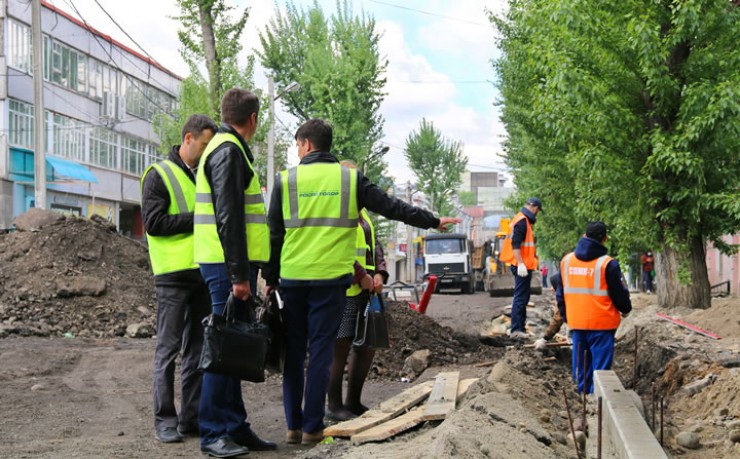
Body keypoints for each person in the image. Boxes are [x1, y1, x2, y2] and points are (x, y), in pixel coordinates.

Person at [262, 118, 460, 446]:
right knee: (323, 352)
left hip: (293, 280)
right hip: (331, 281)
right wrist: (433, 220)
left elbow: (274, 235)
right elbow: (392, 207)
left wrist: (270, 279)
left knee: (294, 352)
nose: (297, 151)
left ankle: (293, 428)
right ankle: (313, 427)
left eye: (298, 145)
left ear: (307, 144)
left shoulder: (286, 180)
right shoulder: (349, 179)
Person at [193, 88, 277, 457]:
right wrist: (240, 277)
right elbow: (228, 219)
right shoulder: (228, 152)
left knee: (231, 347)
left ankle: (234, 427)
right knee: (222, 345)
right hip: (225, 267)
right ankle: (213, 433)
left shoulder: (227, 148)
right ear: (254, 120)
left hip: (224, 264)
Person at [141, 114, 217, 444]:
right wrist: (197, 218)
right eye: (203, 144)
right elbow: (154, 223)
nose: (206, 151)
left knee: (197, 351)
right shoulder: (158, 175)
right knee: (168, 350)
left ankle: (191, 418)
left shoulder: (201, 176)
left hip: (200, 273)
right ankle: (165, 419)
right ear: (188, 139)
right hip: (172, 276)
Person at [326, 160, 389, 422]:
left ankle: (353, 402)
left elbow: (376, 248)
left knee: (367, 347)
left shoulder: (363, 215)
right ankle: (335, 407)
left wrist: (379, 274)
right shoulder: (337, 213)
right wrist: (361, 276)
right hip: (345, 293)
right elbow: (335, 250)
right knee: (338, 350)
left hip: (369, 293)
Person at [555, 221, 632, 394]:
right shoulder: (607, 264)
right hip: (602, 325)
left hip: (577, 323)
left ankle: (585, 400)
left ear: (584, 235)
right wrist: (626, 309)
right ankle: (598, 402)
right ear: (604, 239)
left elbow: (560, 295)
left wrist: (567, 318)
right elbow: (618, 294)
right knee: (601, 372)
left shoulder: (566, 261)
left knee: (582, 367)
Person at [498, 197, 543, 339]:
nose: (537, 213)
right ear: (534, 207)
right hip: (521, 265)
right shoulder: (522, 221)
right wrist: (521, 263)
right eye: (538, 210)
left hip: (521, 264)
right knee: (520, 298)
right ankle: (516, 330)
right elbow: (515, 245)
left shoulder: (521, 219)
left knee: (523, 297)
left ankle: (519, 327)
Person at [534, 274, 564, 351]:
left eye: (553, 286)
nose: (551, 289)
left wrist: (545, 338)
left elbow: (557, 320)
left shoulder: (563, 299)